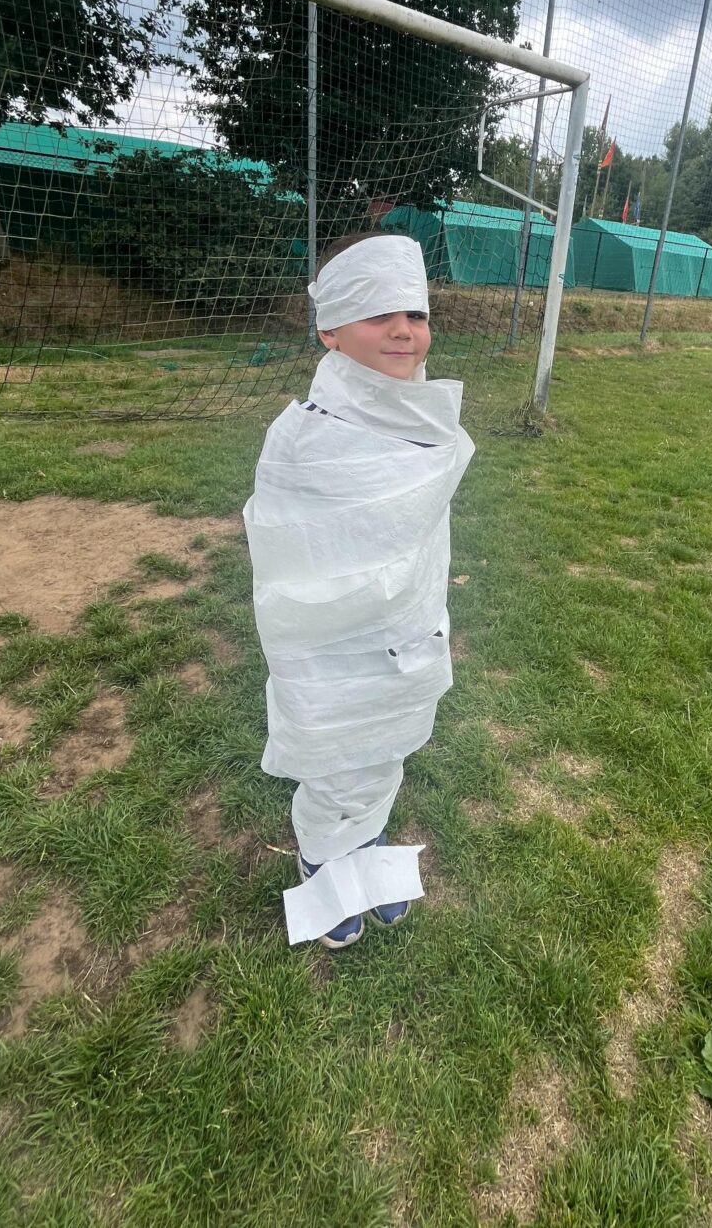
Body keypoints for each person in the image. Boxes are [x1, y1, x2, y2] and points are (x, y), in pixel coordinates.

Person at [243, 234, 474, 949]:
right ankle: (322, 850)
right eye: (379, 315)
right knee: (337, 741)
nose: (403, 331)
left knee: (386, 740)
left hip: (409, 622)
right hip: (328, 634)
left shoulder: (424, 419)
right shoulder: (303, 438)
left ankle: (366, 838)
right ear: (330, 331)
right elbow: (290, 546)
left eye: (415, 314)